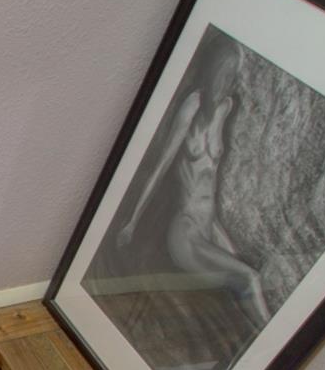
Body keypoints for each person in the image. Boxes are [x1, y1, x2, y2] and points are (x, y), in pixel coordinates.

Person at [115, 39, 272, 332]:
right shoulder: (192, 106)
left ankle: (258, 350)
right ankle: (273, 346)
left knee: (246, 290)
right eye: (222, 75)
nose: (226, 84)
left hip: (211, 226)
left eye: (232, 77)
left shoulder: (226, 108)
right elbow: (160, 168)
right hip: (186, 229)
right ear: (210, 73)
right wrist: (131, 222)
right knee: (249, 278)